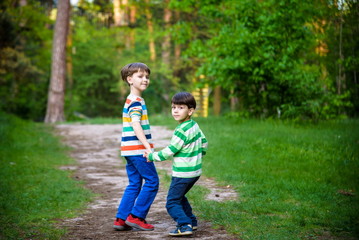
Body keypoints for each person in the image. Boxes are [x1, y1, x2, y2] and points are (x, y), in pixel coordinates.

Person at [144, 92, 208, 236]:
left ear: (190, 111)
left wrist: (152, 156)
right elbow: (204, 143)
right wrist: (198, 156)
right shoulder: (194, 126)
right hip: (195, 172)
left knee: (172, 202)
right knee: (180, 196)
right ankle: (192, 221)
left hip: (183, 173)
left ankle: (184, 225)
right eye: (174, 107)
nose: (176, 111)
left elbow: (170, 151)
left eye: (180, 107)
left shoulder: (181, 130)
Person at [113, 62, 159, 231]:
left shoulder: (132, 99)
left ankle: (121, 219)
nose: (145, 79)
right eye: (140, 76)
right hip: (138, 150)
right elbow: (135, 124)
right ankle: (136, 216)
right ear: (129, 79)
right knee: (153, 181)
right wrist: (147, 146)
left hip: (128, 150)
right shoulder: (136, 102)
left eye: (147, 76)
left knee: (134, 183)